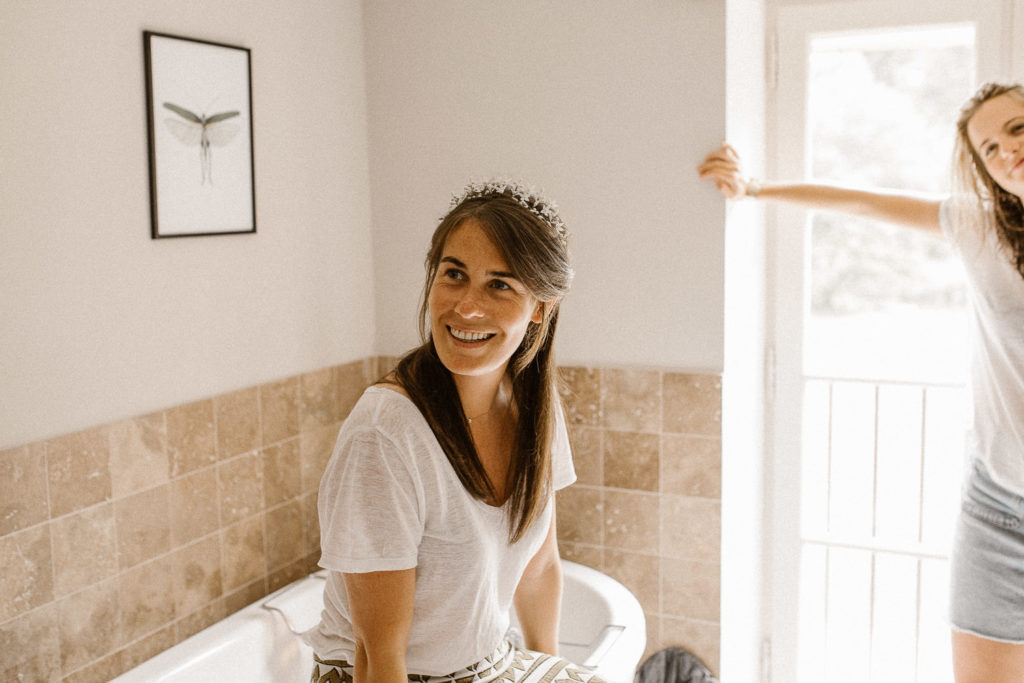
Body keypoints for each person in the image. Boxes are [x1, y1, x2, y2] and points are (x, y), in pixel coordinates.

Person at [698, 81, 1024, 683]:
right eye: (988, 148)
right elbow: (865, 203)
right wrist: (755, 189)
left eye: (1017, 130)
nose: (1005, 152)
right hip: (1000, 508)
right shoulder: (981, 230)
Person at [304, 180, 605, 683]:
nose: (466, 307)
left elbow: (538, 569)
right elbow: (378, 656)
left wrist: (552, 671)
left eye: (499, 284)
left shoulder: (535, 405)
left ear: (540, 307)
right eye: (454, 275)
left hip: (485, 665)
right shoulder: (386, 434)